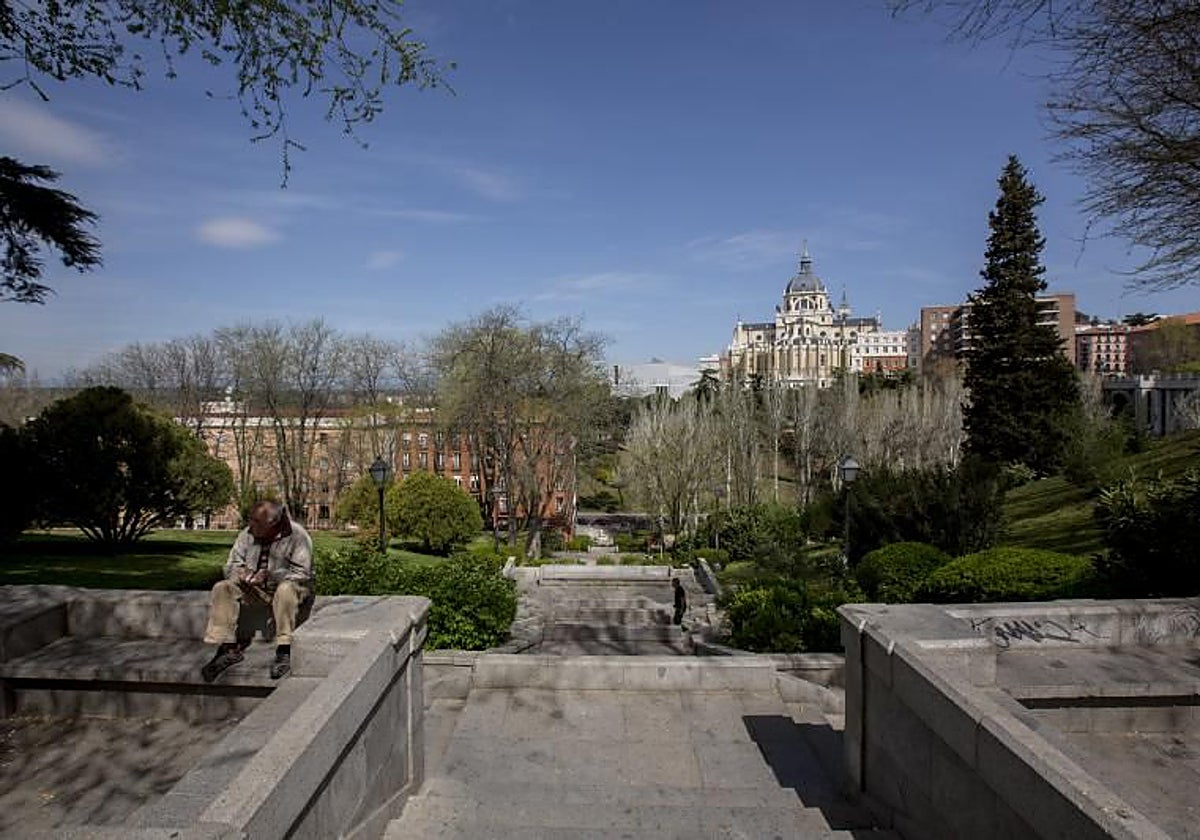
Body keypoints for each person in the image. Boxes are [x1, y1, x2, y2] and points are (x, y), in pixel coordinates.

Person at [201, 500, 313, 682]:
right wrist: (240, 573)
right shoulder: (247, 534)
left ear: (273, 523)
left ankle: (284, 650)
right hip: (256, 589)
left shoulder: (298, 536)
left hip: (289, 589)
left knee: (286, 589)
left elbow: (302, 573)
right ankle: (228, 648)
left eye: (257, 521)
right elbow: (231, 565)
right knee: (223, 587)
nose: (251, 524)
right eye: (250, 519)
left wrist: (271, 575)